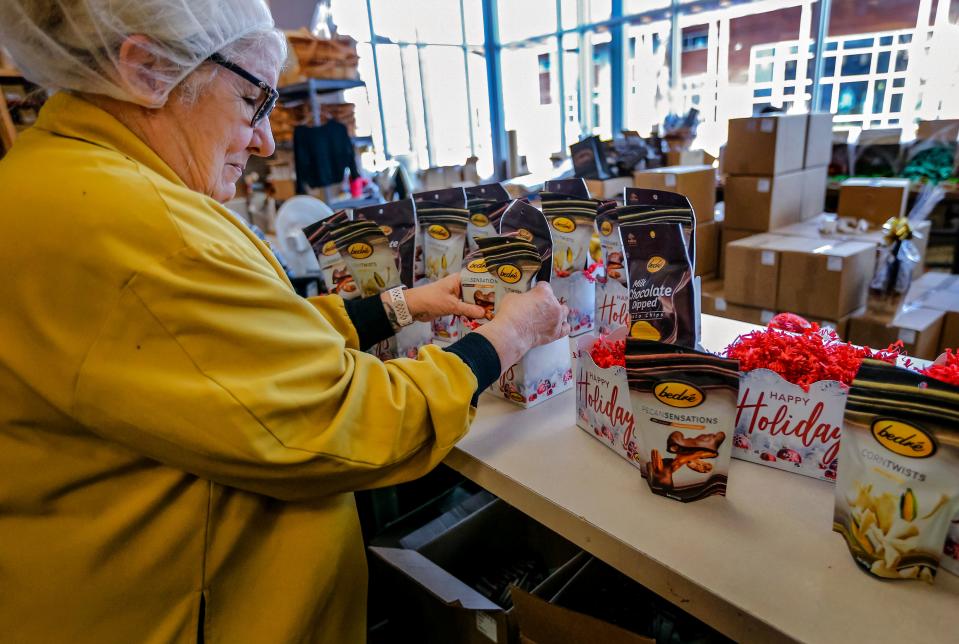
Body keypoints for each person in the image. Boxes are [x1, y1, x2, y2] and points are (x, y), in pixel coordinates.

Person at [0, 2, 568, 642]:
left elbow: (240, 345)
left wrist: (404, 304)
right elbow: (351, 422)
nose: (267, 139)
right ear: (147, 68)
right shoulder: (140, 225)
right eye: (254, 101)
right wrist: (509, 335)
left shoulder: (54, 178)